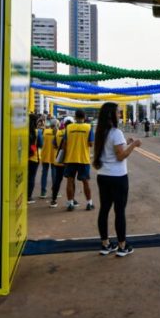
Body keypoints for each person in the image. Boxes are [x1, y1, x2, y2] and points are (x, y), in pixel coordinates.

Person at [92, 102, 141, 257]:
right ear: (112, 115)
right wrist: (133, 145)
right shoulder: (116, 132)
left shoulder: (100, 132)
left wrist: (125, 143)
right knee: (119, 211)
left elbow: (111, 149)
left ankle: (105, 244)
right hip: (118, 177)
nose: (120, 115)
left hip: (103, 176)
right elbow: (120, 156)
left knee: (104, 209)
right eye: (118, 112)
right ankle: (122, 246)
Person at [58, 109, 95, 212]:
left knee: (69, 181)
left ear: (75, 117)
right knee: (85, 182)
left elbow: (64, 144)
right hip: (83, 159)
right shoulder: (88, 127)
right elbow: (91, 144)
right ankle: (89, 203)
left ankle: (70, 204)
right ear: (84, 117)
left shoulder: (69, 127)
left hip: (70, 158)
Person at [26, 113, 41, 204]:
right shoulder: (37, 132)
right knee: (31, 177)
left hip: (23, 158)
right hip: (34, 157)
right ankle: (29, 196)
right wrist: (33, 150)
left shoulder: (23, 130)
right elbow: (40, 144)